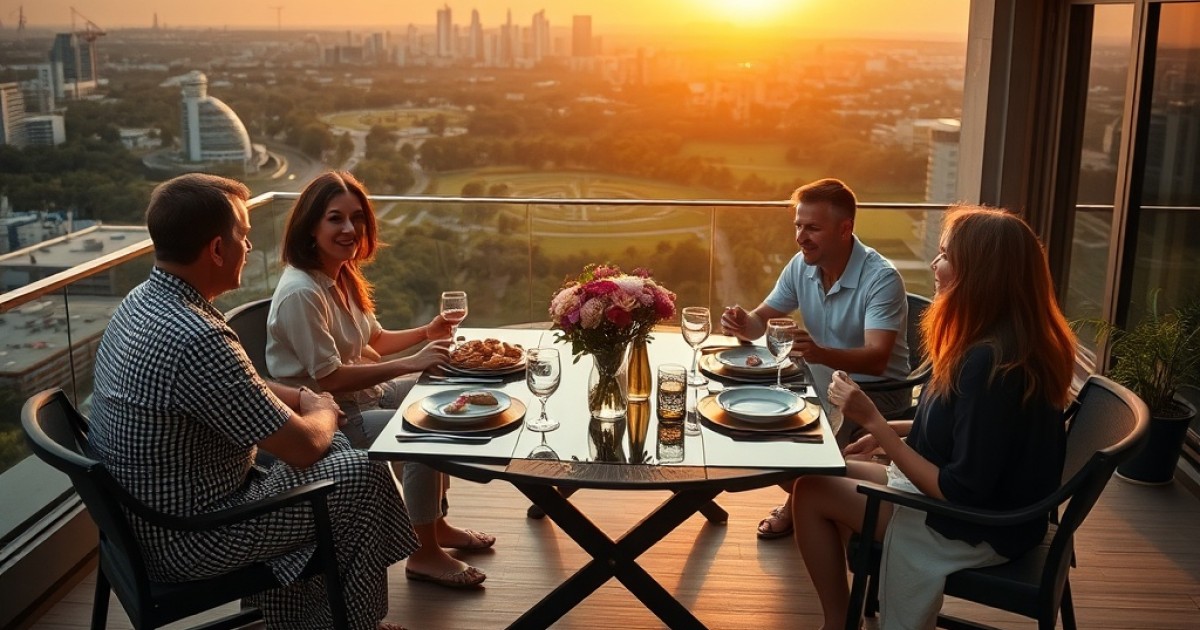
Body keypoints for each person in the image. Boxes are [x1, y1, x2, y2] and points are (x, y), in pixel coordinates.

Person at [88, 173, 415, 630]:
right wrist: (320, 408)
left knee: (335, 460)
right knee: (359, 471)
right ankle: (354, 623)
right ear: (217, 250)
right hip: (190, 539)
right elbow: (302, 446)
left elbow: (245, 384)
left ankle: (307, 620)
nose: (249, 245)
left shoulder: (144, 302)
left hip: (141, 522)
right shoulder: (197, 337)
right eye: (243, 236)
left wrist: (303, 395)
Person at [796, 206, 1076, 629]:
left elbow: (959, 489)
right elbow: (977, 432)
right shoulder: (1012, 342)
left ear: (977, 272)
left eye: (944, 255)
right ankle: (851, 599)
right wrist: (898, 428)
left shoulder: (991, 364)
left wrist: (872, 421)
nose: (934, 263)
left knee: (812, 491)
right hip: (1002, 507)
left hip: (981, 525)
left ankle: (838, 622)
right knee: (819, 475)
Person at [266, 170, 494, 589]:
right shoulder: (303, 292)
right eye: (335, 218)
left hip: (364, 395)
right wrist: (410, 364)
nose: (349, 229)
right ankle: (422, 553)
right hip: (332, 418)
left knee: (442, 386)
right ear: (310, 226)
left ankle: (435, 524)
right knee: (426, 427)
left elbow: (376, 339)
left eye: (356, 218)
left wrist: (426, 333)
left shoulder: (339, 275)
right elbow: (330, 377)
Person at [720, 177, 911, 539]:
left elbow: (877, 360)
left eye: (812, 228)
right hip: (817, 386)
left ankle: (800, 505)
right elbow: (760, 320)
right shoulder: (801, 265)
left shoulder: (881, 278)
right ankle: (812, 499)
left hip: (875, 395)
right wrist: (742, 322)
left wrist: (818, 352)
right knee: (757, 429)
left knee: (803, 460)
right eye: (798, 225)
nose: (800, 236)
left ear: (845, 229)